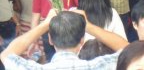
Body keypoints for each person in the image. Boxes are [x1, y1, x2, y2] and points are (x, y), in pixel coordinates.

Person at [0, 10, 129, 69]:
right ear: (82, 40)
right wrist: (88, 26)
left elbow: (6, 54)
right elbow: (127, 48)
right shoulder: (99, 66)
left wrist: (44, 25)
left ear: (50, 39)